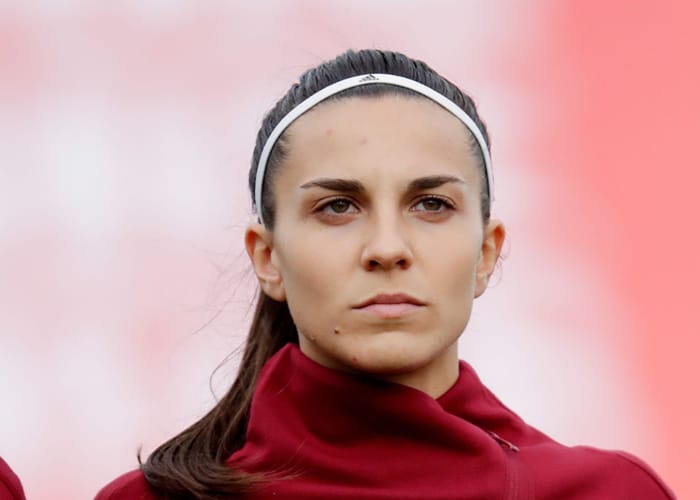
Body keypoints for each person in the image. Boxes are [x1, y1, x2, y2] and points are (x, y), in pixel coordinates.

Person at [96, 49, 675, 499]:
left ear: (485, 252)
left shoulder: (610, 495)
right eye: (337, 207)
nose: (387, 248)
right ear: (267, 258)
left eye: (431, 204)